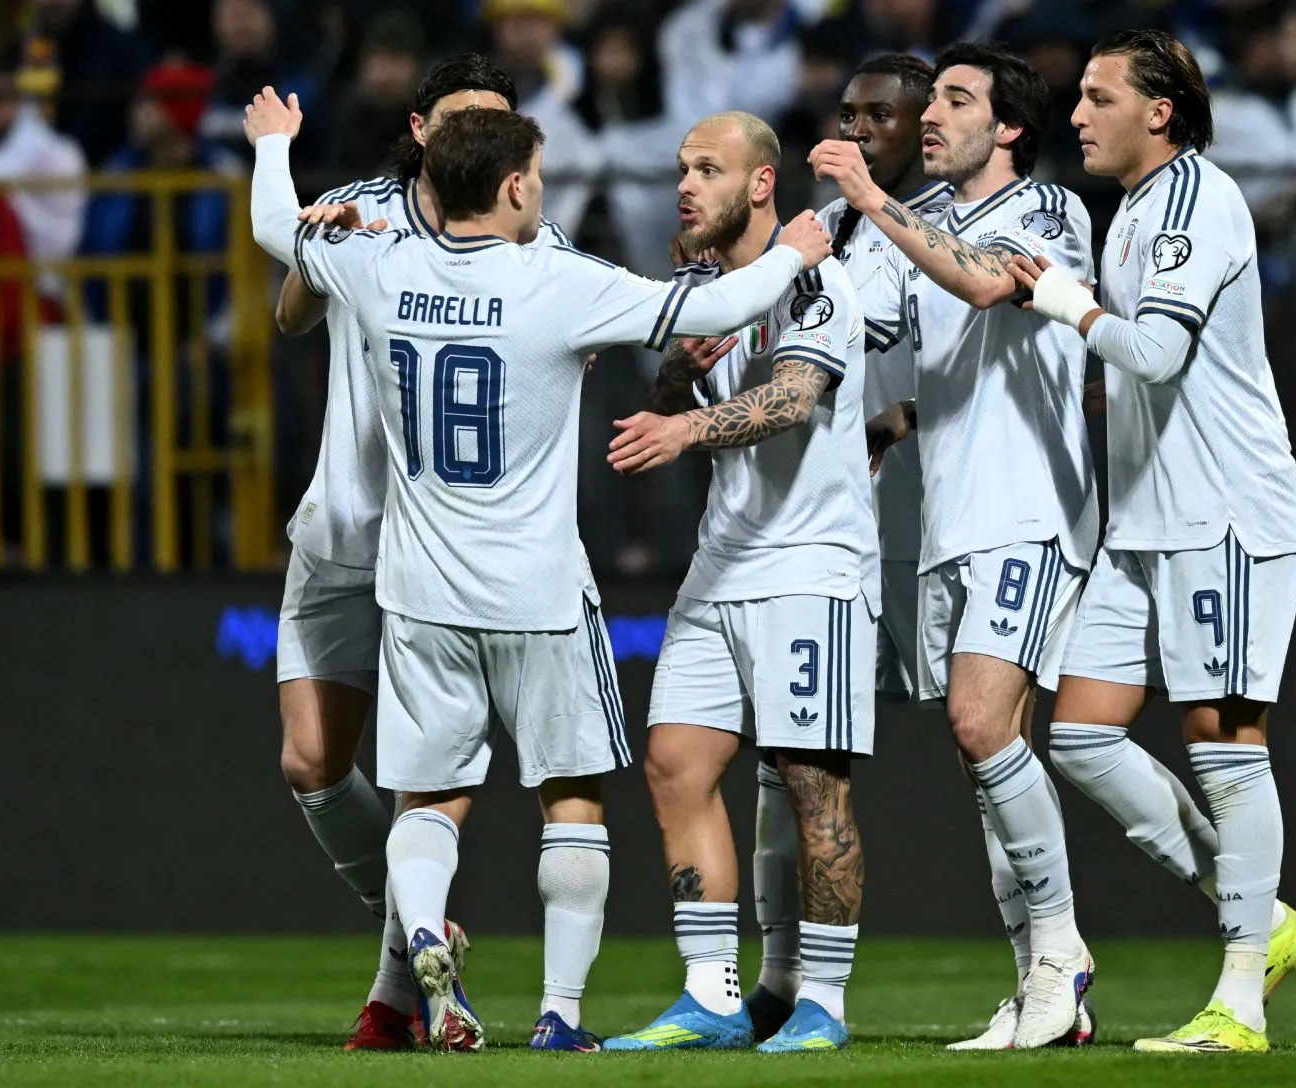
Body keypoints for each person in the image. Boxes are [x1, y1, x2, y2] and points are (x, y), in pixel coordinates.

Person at [247, 92, 833, 1052]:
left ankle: (427, 934)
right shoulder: (556, 280)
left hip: (420, 594)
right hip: (540, 595)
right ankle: (560, 1014)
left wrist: (274, 147)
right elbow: (724, 302)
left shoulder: (378, 264)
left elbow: (277, 228)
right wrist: (795, 255)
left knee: (429, 799)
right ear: (516, 185)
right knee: (571, 796)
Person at [1008, 29, 1296, 1054]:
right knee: (1085, 732)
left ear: (1161, 111)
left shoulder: (1197, 200)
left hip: (1224, 513)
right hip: (1146, 518)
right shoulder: (1134, 209)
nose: (1080, 114)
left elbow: (1151, 350)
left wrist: (1054, 294)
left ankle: (1241, 999)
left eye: (1099, 97)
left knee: (1225, 743)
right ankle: (1260, 912)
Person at [262, 55, 583, 1053]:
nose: (472, 143)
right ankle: (411, 922)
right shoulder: (359, 205)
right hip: (339, 523)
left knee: (419, 782)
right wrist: (325, 262)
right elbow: (288, 312)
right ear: (417, 129)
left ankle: (399, 984)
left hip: (435, 549)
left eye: (493, 124)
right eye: (457, 123)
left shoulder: (534, 231)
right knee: (311, 760)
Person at [808, 41, 1099, 1051]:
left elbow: (987, 286)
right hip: (948, 523)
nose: (929, 117)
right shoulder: (909, 226)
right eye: (928, 103)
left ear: (1008, 127)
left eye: (955, 102)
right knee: (987, 760)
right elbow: (860, 331)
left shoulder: (1050, 209)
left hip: (1031, 510)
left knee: (982, 723)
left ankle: (1062, 949)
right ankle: (1039, 989)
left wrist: (871, 204)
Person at [599, 110, 874, 1055]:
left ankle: (823, 1004)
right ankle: (712, 997)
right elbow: (672, 391)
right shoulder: (706, 293)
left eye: (707, 169)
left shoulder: (818, 286)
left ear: (761, 184)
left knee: (811, 783)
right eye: (681, 167)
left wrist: (679, 432)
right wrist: (678, 378)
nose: (685, 186)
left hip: (811, 565)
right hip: (723, 562)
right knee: (675, 763)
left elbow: (794, 397)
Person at [738, 51, 952, 1046]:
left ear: (924, 129)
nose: (858, 129)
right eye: (849, 113)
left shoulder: (951, 226)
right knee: (789, 757)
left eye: (882, 115)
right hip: (833, 519)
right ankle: (782, 981)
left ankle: (1052, 959)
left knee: (996, 741)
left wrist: (901, 421)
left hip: (936, 518)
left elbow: (973, 359)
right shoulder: (829, 231)